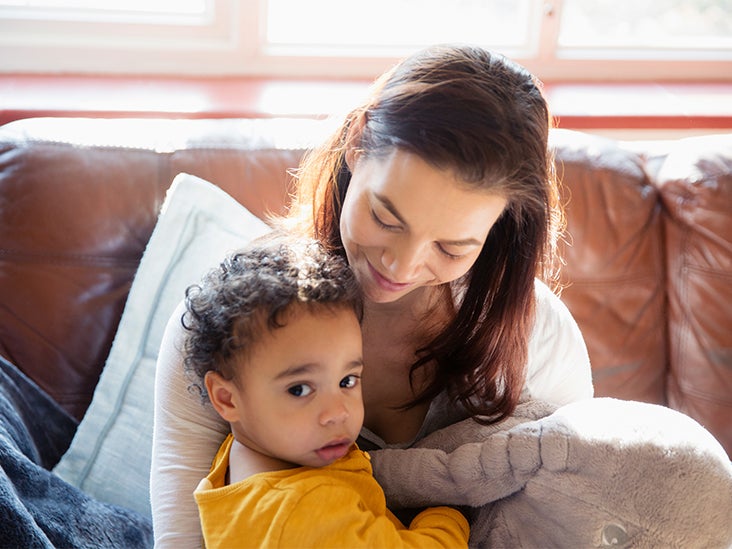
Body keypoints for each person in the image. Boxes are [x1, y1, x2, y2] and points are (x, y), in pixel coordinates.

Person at [151, 43, 593, 547]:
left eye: (451, 247)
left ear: (501, 226)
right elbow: (183, 527)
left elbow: (571, 512)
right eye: (386, 218)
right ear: (357, 144)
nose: (401, 266)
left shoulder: (541, 342)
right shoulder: (236, 313)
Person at [182, 235, 469, 548]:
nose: (338, 412)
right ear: (226, 398)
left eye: (347, 381)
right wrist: (447, 515)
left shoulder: (242, 461)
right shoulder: (304, 510)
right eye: (300, 389)